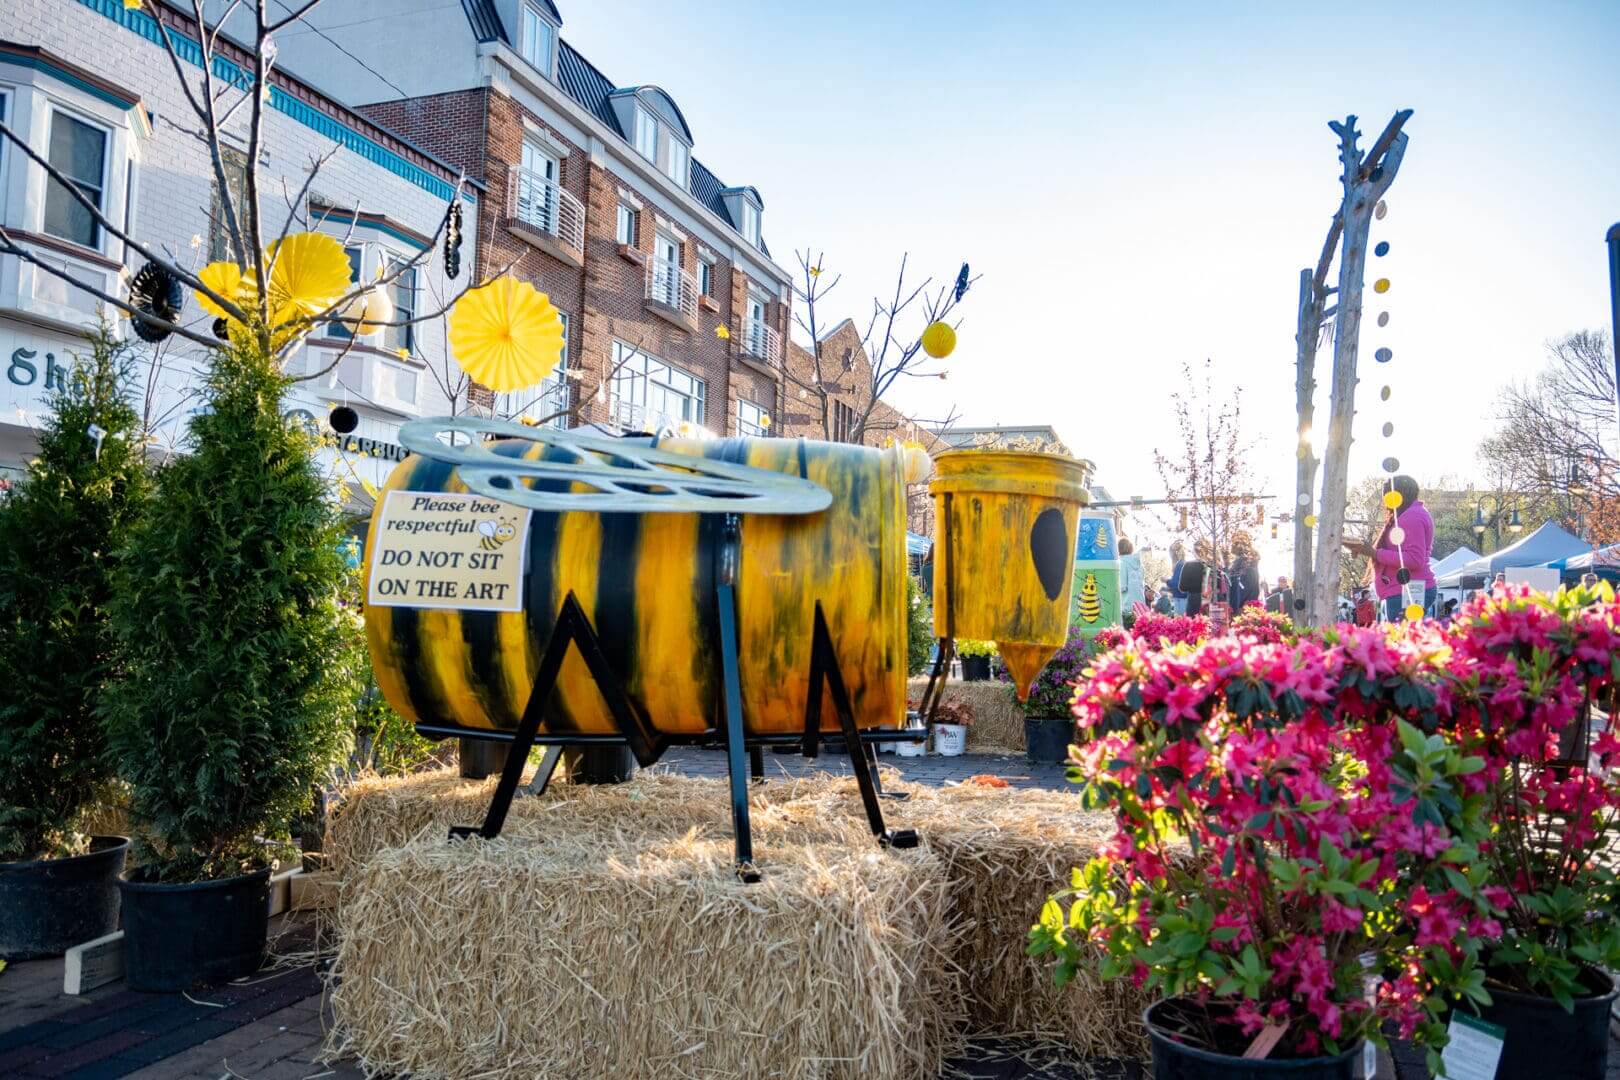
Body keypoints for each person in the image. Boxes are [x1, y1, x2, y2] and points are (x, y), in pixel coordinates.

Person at [1343, 475, 1436, 622]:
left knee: (1401, 640)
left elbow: (1414, 559)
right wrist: (1364, 549)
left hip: (1406, 591)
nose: (1386, 502)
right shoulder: (1412, 515)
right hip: (1407, 589)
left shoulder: (1411, 517)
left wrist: (1375, 553)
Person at [1228, 532, 1262, 610]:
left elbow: (1241, 587)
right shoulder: (1247, 561)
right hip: (1248, 603)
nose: (1231, 545)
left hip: (1241, 605)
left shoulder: (1243, 562)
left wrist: (1234, 605)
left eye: (1233, 543)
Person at [1165, 540, 1188, 614]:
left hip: (1180, 598)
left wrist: (1166, 581)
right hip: (1184, 597)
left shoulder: (1179, 565)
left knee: (1180, 622)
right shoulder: (1184, 564)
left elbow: (1176, 584)